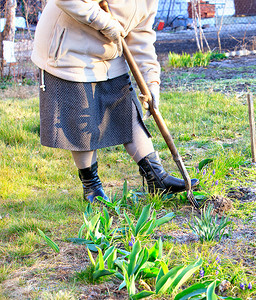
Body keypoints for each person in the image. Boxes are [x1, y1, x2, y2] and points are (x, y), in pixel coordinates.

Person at [31, 0, 198, 202]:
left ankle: (157, 179)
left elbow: (141, 35)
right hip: (68, 52)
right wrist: (104, 22)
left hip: (109, 54)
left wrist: (152, 80)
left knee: (128, 113)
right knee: (82, 123)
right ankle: (92, 188)